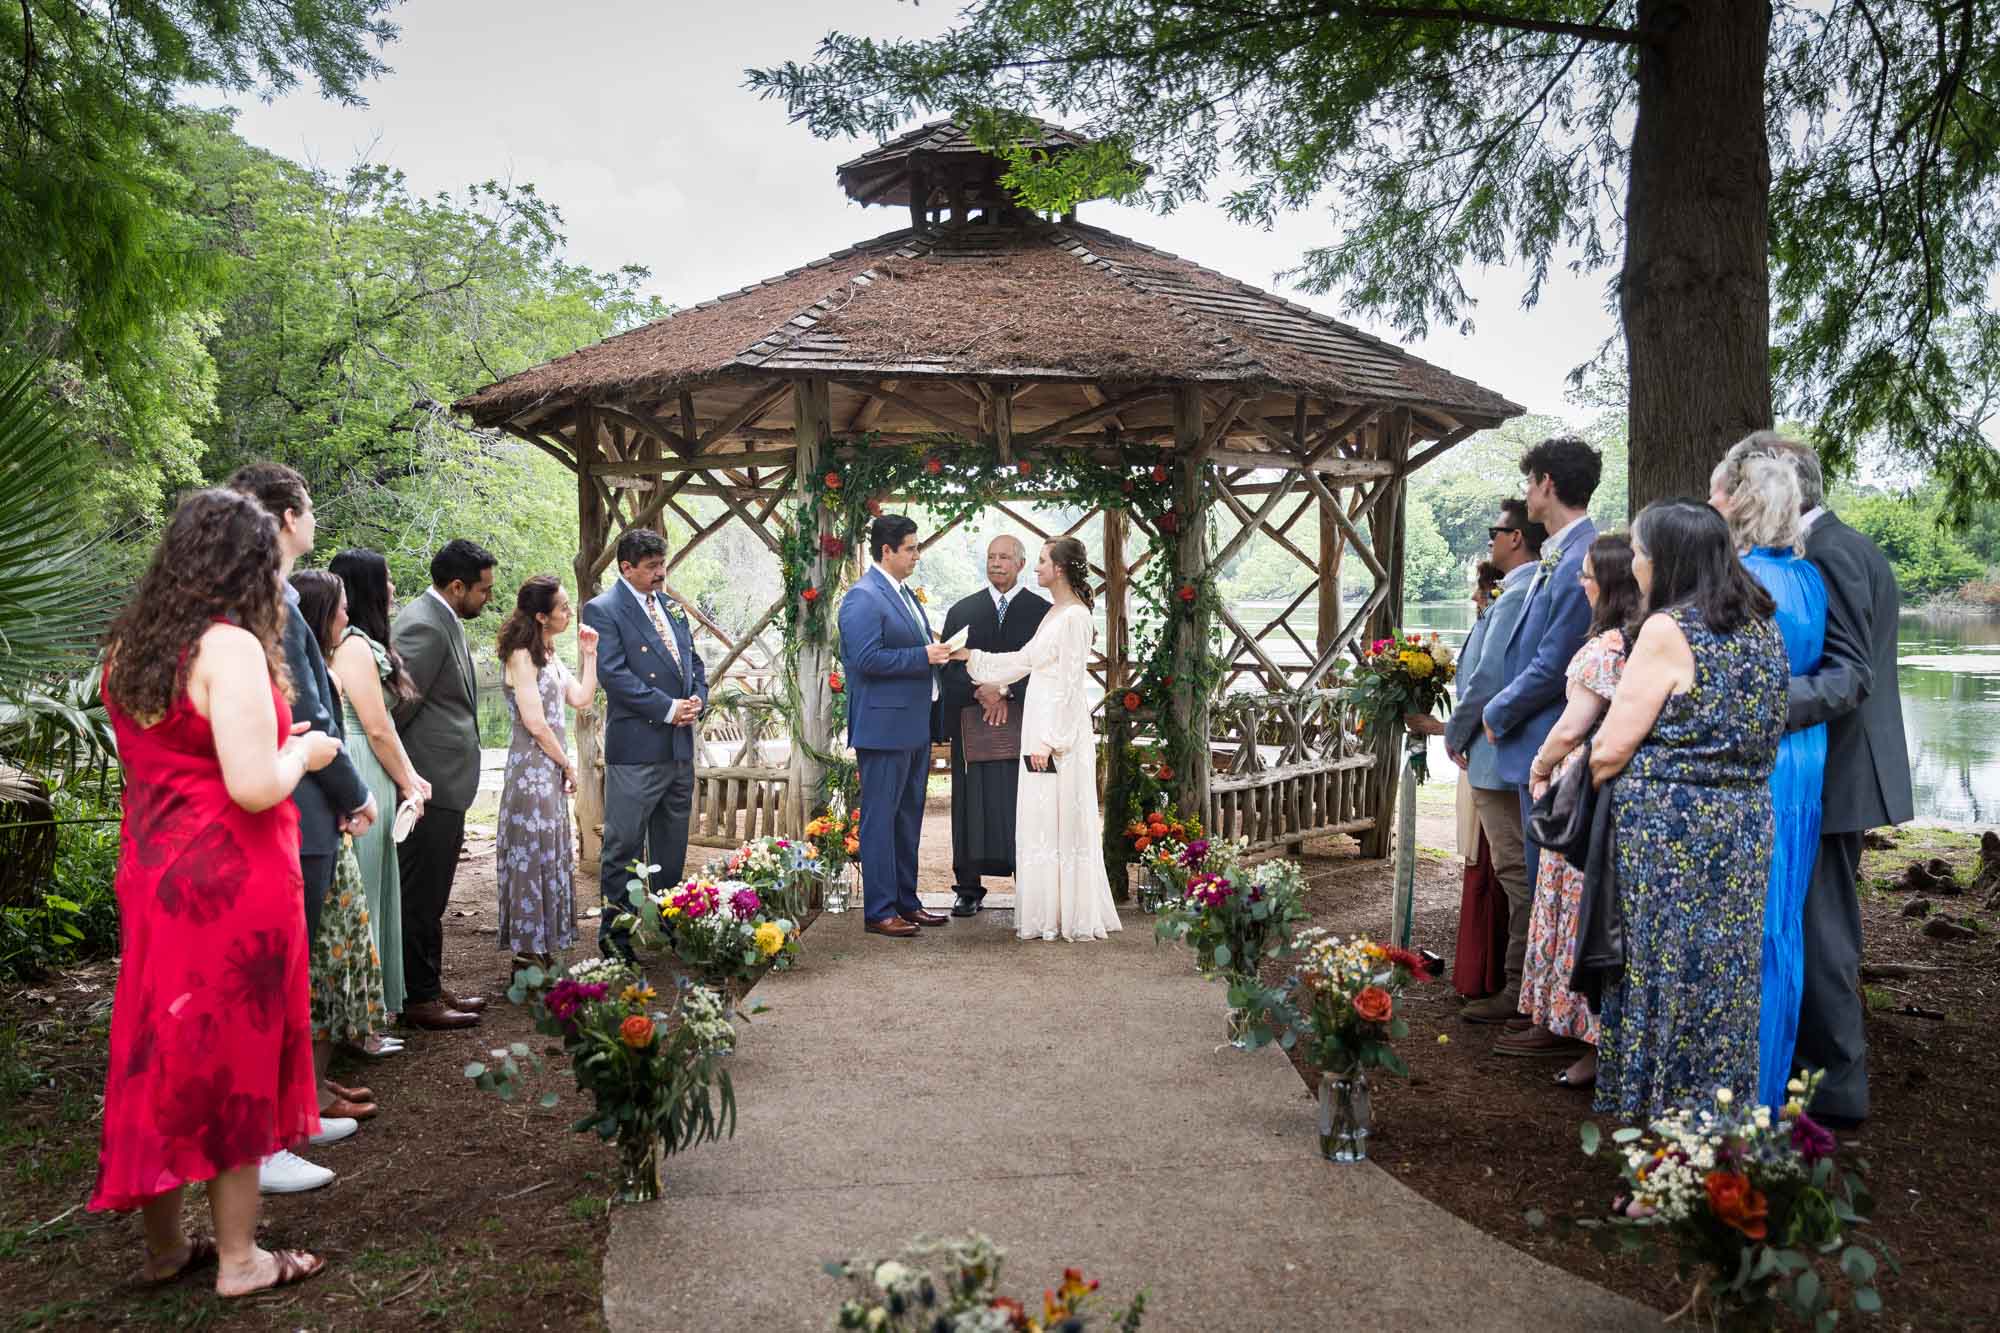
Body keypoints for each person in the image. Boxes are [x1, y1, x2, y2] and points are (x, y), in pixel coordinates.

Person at [92, 488, 340, 1296]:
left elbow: (181, 756)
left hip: (157, 873)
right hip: (229, 883)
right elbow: (252, 786)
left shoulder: (130, 642)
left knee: (161, 1044)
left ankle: (166, 1247)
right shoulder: (226, 645)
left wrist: (273, 746)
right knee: (234, 1048)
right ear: (247, 562)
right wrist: (301, 759)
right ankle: (240, 1258)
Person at [1588, 500, 1789, 1120]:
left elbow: (1609, 750)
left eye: (1642, 556)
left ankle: (1659, 1132)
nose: (1638, 568)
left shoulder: (1668, 630)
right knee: (1726, 980)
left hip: (1670, 833)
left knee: (1661, 975)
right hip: (1746, 824)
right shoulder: (1763, 625)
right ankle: (1719, 1125)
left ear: (1668, 561)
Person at [226, 463, 373, 1184]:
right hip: (300, 799)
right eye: (309, 507)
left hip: (302, 795)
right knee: (283, 972)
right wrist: (353, 792)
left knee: (297, 971)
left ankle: (294, 1113)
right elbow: (308, 711)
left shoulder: (268, 597)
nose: (314, 520)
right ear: (286, 518)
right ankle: (270, 1136)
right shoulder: (270, 600)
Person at [1772, 436, 1913, 1130]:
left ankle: (1834, 1089)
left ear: (1785, 487)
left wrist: (1761, 701)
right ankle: (1817, 1074)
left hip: (1838, 770)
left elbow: (1853, 672)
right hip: (1833, 768)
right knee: (1817, 922)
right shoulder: (1833, 545)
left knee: (1823, 929)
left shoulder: (1830, 552)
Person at [1497, 534, 1642, 1089]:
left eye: (1587, 575)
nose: (1580, 583)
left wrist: (1538, 766)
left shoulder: (1604, 650)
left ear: (1609, 584)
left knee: (1573, 905)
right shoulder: (1648, 642)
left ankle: (1584, 1034)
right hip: (1623, 791)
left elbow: (1571, 726)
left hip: (1584, 792)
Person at [1710, 438, 1829, 1111]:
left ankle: (1732, 1097)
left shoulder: (1740, 582)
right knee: (1781, 924)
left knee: (1744, 926)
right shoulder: (1810, 579)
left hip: (1753, 763)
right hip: (1806, 761)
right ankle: (1765, 1094)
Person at [1475, 438, 1601, 1025]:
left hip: (1550, 737)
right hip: (1537, 735)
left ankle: (1544, 1009)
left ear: (1548, 483)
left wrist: (1496, 712)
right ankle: (1535, 1000)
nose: (1526, 494)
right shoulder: (1561, 550)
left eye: (1530, 483)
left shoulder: (1581, 557)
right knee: (1539, 872)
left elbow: (1553, 660)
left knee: (1547, 874)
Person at [957, 537, 1122, 942]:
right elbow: (1023, 661)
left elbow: (1069, 686)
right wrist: (970, 658)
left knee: (1059, 817)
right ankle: (1047, 910)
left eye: (1043, 561)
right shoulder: (1054, 614)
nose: (1037, 569)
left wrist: (1050, 741)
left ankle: (1069, 914)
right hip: (1038, 723)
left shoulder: (1075, 617)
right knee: (1041, 821)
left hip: (1055, 731)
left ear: (1061, 569)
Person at [581, 529, 708, 960]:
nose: (660, 573)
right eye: (652, 567)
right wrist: (668, 708)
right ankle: (617, 940)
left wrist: (697, 700)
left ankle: (669, 929)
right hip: (636, 749)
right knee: (624, 847)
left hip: (678, 747)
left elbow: (694, 662)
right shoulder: (603, 610)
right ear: (626, 568)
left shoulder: (671, 606)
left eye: (662, 564)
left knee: (672, 848)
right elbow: (613, 675)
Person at [1441, 499, 1547, 1013]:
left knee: (1515, 871)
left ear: (1516, 539)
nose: (1490, 540)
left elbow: (1488, 678)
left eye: (1495, 531)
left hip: (1495, 753)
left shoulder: (1517, 596)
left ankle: (1517, 988)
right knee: (1517, 869)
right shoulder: (1527, 590)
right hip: (1505, 751)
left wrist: (1454, 732)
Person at [290, 571, 395, 1086]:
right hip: (324, 808)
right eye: (340, 609)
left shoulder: (323, 667)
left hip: (334, 813)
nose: (348, 618)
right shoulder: (311, 673)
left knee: (342, 944)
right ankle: (311, 1089)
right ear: (319, 614)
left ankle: (321, 1079)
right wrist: (355, 798)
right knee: (324, 956)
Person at [392, 538, 497, 1029]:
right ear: (457, 586)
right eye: (483, 589)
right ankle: (418, 998)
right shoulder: (422, 625)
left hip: (446, 782)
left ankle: (429, 985)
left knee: (433, 895)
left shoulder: (443, 619)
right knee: (421, 895)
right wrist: (408, 780)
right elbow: (397, 707)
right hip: (427, 785)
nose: (488, 599)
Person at [328, 548, 429, 1040]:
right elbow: (374, 727)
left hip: (380, 768)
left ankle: (370, 1014)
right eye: (386, 580)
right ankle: (355, 1024)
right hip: (362, 766)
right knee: (361, 894)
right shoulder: (350, 647)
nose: (392, 589)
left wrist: (412, 776)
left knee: (380, 887)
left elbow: (388, 725)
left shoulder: (366, 642)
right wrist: (407, 779)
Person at [839, 514, 955, 939]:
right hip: (883, 728)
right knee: (880, 819)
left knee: (908, 819)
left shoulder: (903, 595)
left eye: (916, 546)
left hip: (913, 725)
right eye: (910, 547)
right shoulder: (863, 597)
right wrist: (924, 656)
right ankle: (880, 910)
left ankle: (907, 902)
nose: (916, 554)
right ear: (885, 551)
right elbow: (865, 660)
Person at [937, 535, 1050, 917]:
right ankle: (968, 888)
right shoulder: (962, 610)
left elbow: (1047, 667)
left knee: (1023, 804)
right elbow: (947, 666)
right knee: (969, 804)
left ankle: (1028, 882)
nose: (996, 563)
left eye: (1004, 557)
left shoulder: (1042, 612)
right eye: (991, 557)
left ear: (1020, 564)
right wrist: (980, 693)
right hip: (973, 725)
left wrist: (1007, 693)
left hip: (1023, 724)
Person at [495, 576, 600, 973]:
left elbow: (582, 699)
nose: (569, 613)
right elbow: (535, 724)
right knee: (530, 854)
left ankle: (542, 948)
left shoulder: (549, 654)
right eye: (563, 608)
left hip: (548, 769)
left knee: (550, 853)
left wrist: (589, 655)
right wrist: (568, 764)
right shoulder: (521, 655)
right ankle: (526, 956)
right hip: (530, 770)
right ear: (541, 616)